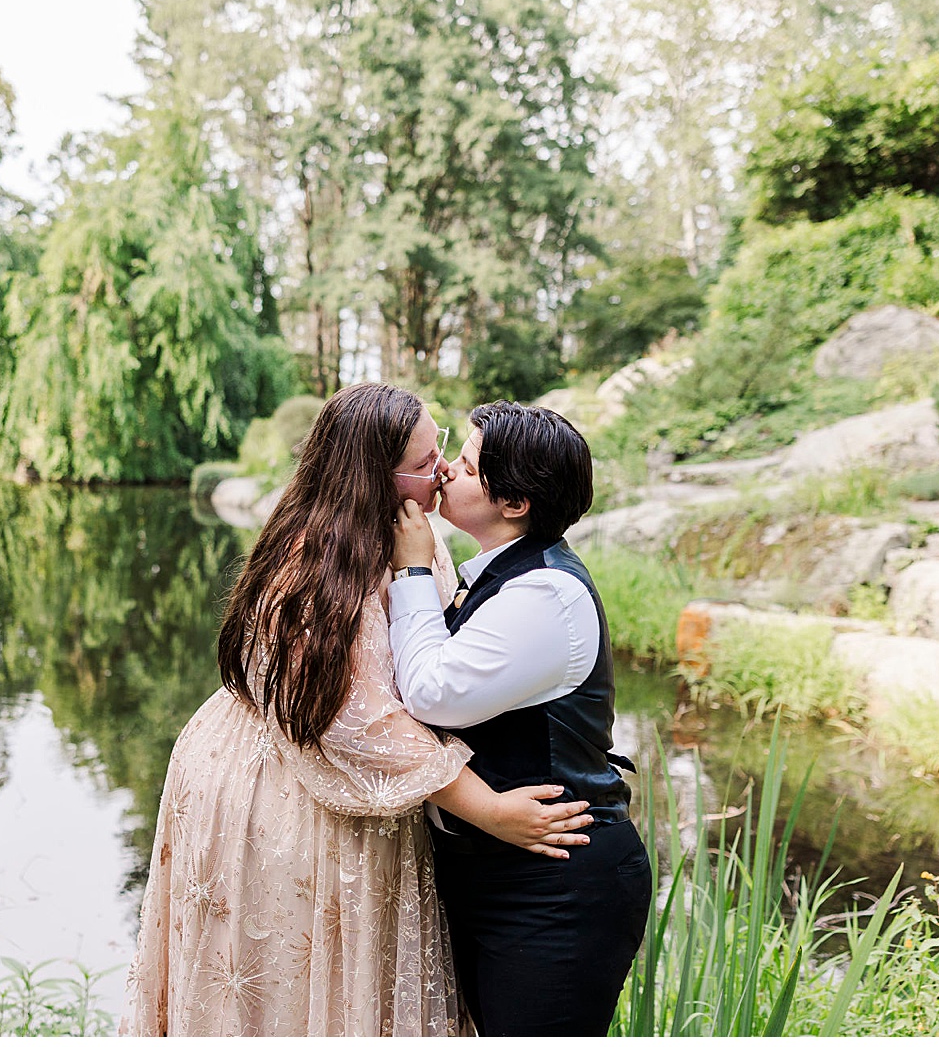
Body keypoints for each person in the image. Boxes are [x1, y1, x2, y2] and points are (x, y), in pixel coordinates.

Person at [126, 383, 593, 1036]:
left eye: (442, 454)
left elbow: (429, 657)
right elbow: (358, 720)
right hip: (289, 791)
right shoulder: (310, 562)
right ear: (373, 474)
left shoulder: (410, 531)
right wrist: (486, 808)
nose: (443, 474)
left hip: (371, 788)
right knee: (289, 989)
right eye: (426, 463)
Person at [388, 401, 652, 1036]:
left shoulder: (545, 595)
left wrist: (412, 571)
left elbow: (430, 693)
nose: (446, 471)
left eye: (468, 465)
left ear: (513, 503)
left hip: (557, 885)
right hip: (504, 868)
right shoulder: (500, 577)